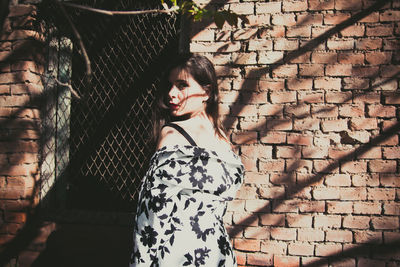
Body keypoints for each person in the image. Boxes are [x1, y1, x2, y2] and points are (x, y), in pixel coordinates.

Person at [130, 53, 244, 267]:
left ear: (206, 92)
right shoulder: (222, 140)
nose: (171, 94)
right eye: (170, 85)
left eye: (182, 85)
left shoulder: (172, 135)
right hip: (216, 252)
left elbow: (151, 214)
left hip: (179, 253)